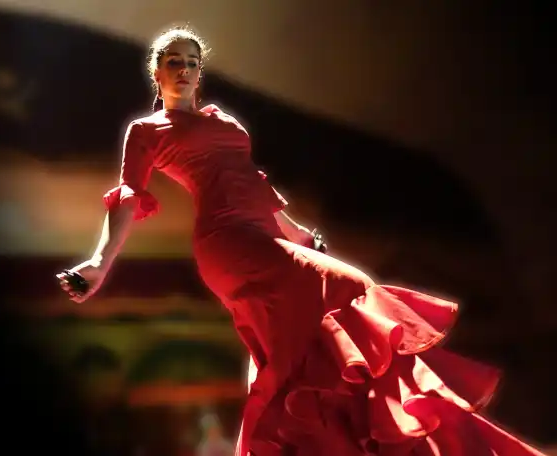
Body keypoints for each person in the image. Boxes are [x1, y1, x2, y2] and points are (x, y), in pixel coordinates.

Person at [58, 27, 547, 456]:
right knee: (350, 288)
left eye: (191, 61)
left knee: (303, 352)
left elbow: (252, 182)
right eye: (173, 62)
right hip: (228, 242)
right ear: (157, 72)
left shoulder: (223, 122)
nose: (184, 70)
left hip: (266, 233)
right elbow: (128, 198)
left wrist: (296, 233)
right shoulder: (147, 131)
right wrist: (100, 262)